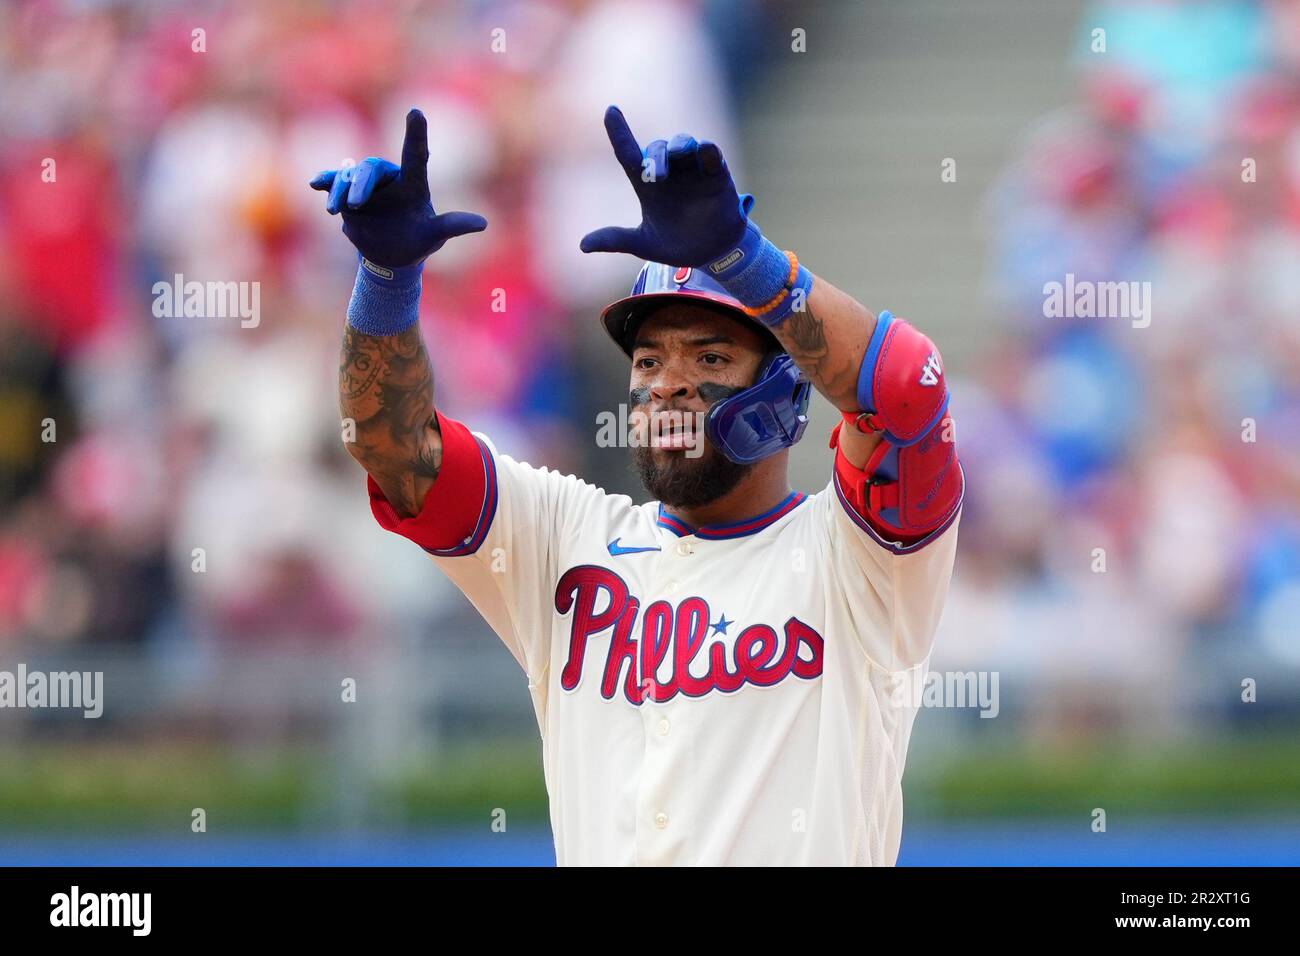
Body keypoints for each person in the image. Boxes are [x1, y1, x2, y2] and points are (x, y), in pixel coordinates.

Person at [310, 106, 964, 866]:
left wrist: (742, 259)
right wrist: (386, 282)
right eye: (649, 362)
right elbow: (391, 448)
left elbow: (908, 392)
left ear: (784, 396)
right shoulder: (563, 536)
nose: (667, 387)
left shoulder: (862, 564)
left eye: (710, 359)